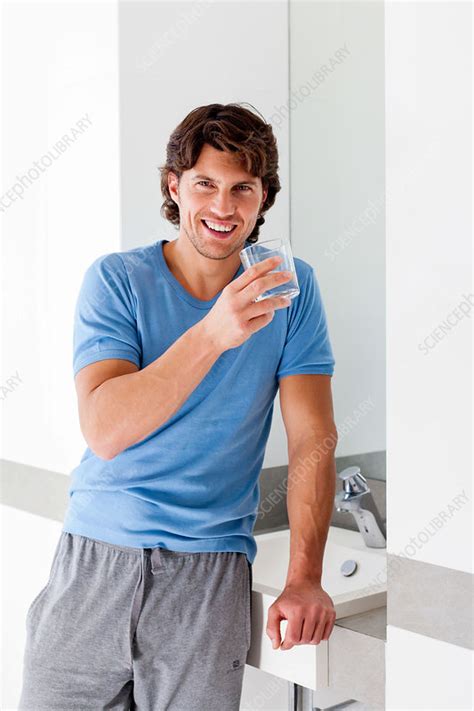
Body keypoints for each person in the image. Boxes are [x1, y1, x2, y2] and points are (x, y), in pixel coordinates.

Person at [19, 102, 338, 710]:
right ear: (175, 187)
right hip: (93, 563)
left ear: (263, 196)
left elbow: (311, 439)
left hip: (207, 577)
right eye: (205, 185)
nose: (223, 207)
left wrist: (304, 577)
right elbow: (106, 429)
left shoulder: (291, 290)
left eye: (243, 188)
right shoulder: (117, 280)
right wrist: (213, 333)